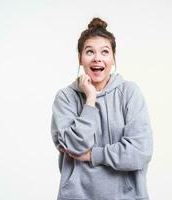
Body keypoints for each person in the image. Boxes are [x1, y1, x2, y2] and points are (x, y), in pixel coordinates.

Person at [51, 17, 153, 200]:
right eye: (89, 52)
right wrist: (90, 99)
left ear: (113, 58)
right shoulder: (65, 98)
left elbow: (139, 153)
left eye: (105, 52)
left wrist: (92, 155)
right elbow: (75, 147)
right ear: (80, 58)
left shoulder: (129, 93)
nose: (97, 58)